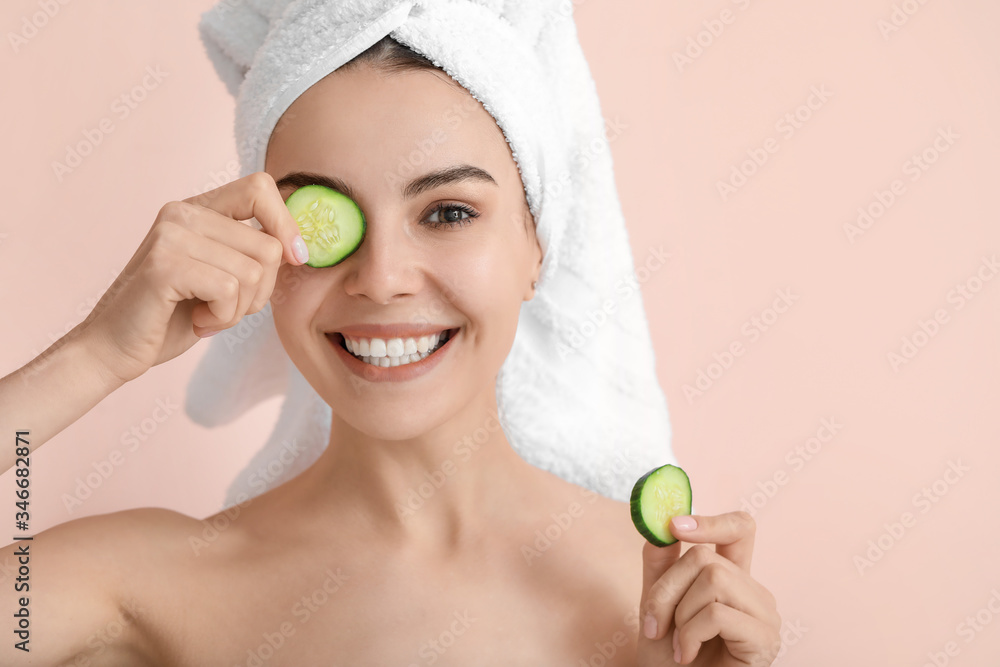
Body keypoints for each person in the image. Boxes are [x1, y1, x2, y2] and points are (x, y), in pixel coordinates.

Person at [0, 29, 780, 667]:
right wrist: (96, 354)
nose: (381, 278)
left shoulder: (663, 601)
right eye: (322, 220)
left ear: (536, 247)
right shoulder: (159, 585)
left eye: (446, 212)